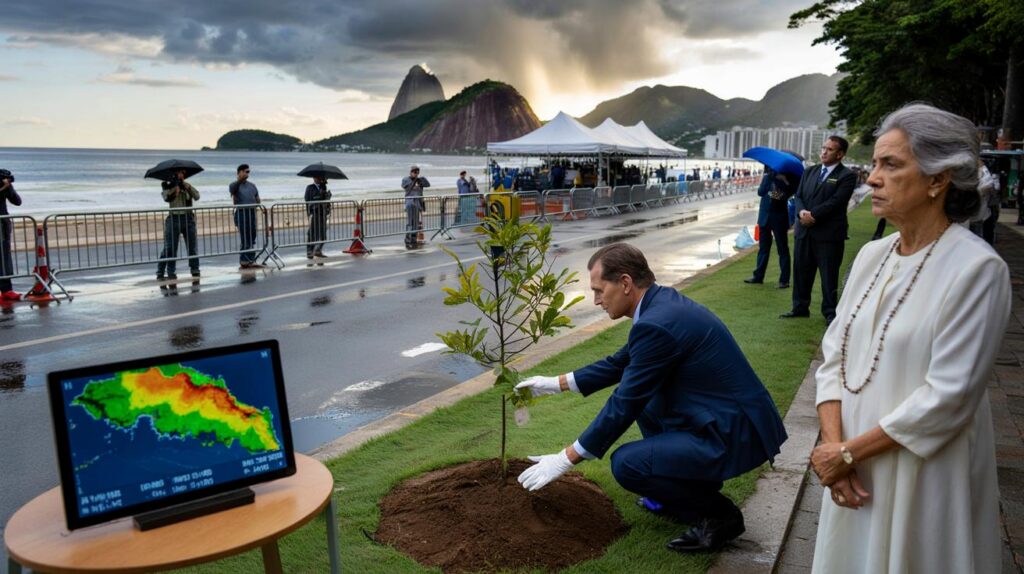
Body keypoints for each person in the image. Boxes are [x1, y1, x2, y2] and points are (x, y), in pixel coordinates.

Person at [809, 103, 1010, 574]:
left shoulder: (977, 269)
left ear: (938, 179)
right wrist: (834, 450)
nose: (872, 177)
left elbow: (949, 395)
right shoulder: (872, 255)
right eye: (875, 164)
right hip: (851, 468)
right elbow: (833, 356)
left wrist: (845, 453)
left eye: (891, 164)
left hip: (922, 472)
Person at [514, 243, 787, 553]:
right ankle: (678, 492)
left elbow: (624, 402)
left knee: (627, 464)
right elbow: (620, 363)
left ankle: (719, 515)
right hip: (725, 417)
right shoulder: (659, 305)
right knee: (651, 405)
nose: (596, 300)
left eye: (599, 290)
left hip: (732, 432)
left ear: (626, 283)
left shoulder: (658, 323)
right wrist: (552, 384)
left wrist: (565, 458)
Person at [781, 136, 857, 324]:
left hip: (828, 234)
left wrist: (812, 215)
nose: (824, 152)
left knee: (829, 276)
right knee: (800, 273)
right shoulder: (810, 171)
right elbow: (798, 196)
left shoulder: (846, 175)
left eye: (829, 149)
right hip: (803, 231)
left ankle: (830, 313)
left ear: (840, 154)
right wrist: (801, 214)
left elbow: (836, 202)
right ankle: (799, 307)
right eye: (823, 148)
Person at [744, 167, 797, 287]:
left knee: (782, 249)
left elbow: (785, 196)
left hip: (779, 218)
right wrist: (770, 182)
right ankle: (758, 276)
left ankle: (784, 280)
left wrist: (783, 182)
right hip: (764, 217)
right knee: (763, 249)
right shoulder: (768, 177)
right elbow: (760, 192)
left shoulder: (789, 178)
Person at [156, 169, 200, 280]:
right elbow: (166, 198)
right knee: (170, 248)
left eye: (183, 173)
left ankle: (195, 270)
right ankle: (167, 271)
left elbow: (197, 196)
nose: (181, 175)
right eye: (179, 173)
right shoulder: (168, 186)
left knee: (192, 247)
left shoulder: (187, 186)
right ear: (174, 174)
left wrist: (187, 187)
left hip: (188, 218)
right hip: (174, 218)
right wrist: (175, 189)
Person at [229, 164, 263, 268]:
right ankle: (244, 261)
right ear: (239, 173)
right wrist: (240, 180)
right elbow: (232, 191)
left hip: (252, 213)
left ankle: (251, 260)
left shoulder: (252, 185)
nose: (247, 174)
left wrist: (259, 203)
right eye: (245, 171)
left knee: (252, 236)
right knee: (245, 237)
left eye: (248, 172)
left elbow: (257, 198)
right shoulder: (234, 185)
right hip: (241, 213)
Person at [0, 170, 23, 300]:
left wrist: (8, 188)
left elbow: (17, 201)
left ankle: (6, 289)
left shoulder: (5, 183)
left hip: (2, 225)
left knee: (4, 258)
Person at [401, 166, 429, 249]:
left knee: (416, 222)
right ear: (410, 172)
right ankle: (408, 238)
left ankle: (414, 238)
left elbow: (428, 184)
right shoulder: (406, 179)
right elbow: (407, 188)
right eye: (414, 172)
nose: (415, 174)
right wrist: (414, 181)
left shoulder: (419, 180)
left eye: (417, 172)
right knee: (410, 222)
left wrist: (422, 179)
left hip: (418, 203)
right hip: (410, 203)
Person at [304, 176, 331, 258]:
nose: (319, 179)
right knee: (312, 233)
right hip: (315, 212)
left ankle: (318, 250)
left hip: (323, 212)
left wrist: (327, 196)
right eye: (317, 177)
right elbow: (307, 199)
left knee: (323, 233)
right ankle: (309, 251)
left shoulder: (324, 187)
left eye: (320, 178)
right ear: (314, 178)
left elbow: (325, 200)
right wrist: (319, 196)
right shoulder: (310, 187)